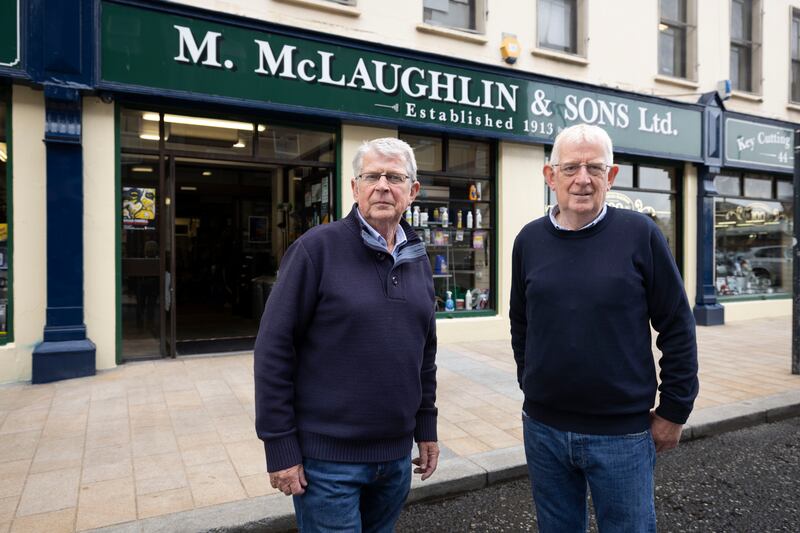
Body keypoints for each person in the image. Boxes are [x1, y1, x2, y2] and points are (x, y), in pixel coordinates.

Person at [509, 123, 699, 532]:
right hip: (543, 430)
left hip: (623, 435)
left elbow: (677, 325)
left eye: (594, 168)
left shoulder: (641, 234)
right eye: (570, 168)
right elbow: (521, 321)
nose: (582, 179)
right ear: (550, 176)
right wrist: (531, 383)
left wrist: (674, 409)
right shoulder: (528, 240)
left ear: (610, 177)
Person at [254, 137, 439, 532]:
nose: (383, 186)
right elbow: (273, 351)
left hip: (394, 461)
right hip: (328, 464)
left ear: (413, 191)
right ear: (354, 188)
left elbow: (424, 354)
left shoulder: (418, 259)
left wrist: (426, 428)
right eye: (372, 176)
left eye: (395, 177)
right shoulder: (315, 251)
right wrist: (280, 446)